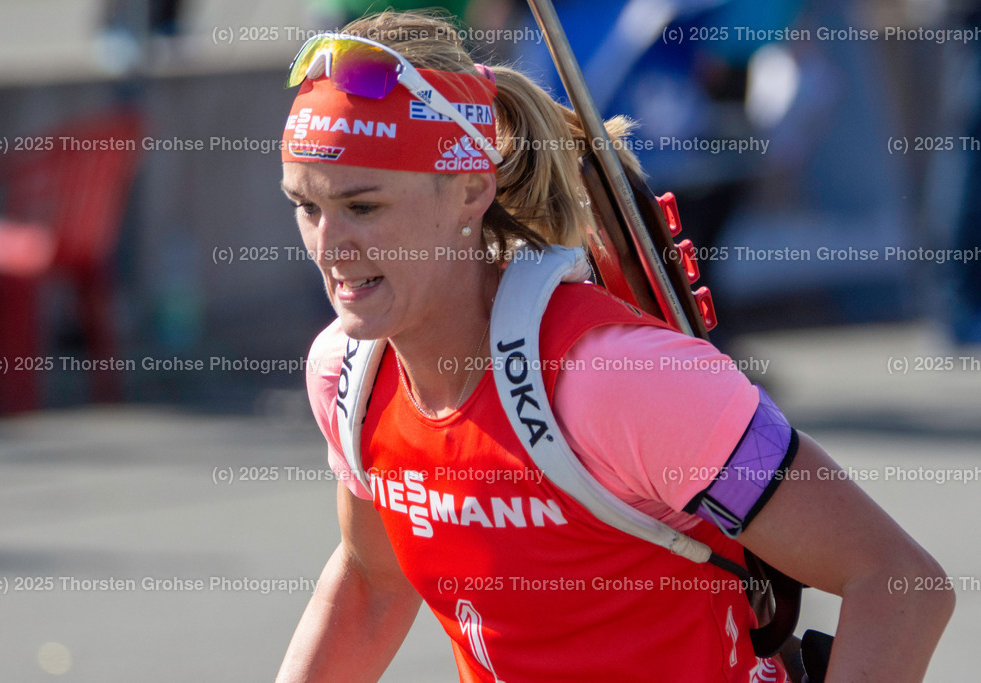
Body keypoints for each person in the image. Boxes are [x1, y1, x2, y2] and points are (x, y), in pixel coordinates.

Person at [274, 11, 953, 682]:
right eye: (307, 207)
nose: (330, 248)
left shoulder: (615, 378)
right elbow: (371, 581)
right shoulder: (348, 373)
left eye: (363, 207)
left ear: (470, 191)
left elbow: (899, 585)